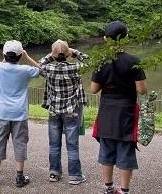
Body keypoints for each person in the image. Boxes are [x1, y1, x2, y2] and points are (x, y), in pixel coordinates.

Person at [90, 21, 147, 194]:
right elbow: (142, 90)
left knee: (106, 149)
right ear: (126, 39)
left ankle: (108, 188)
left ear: (106, 39)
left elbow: (93, 89)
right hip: (127, 112)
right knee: (125, 150)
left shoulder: (101, 61)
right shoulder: (134, 61)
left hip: (107, 111)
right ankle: (124, 190)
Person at [0, 40, 40, 189]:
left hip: (1, 112)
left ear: (4, 54)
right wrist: (27, 57)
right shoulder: (25, 70)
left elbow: (0, 62)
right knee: (20, 143)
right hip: (19, 113)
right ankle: (19, 177)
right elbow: (41, 69)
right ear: (19, 56)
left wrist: (7, 56)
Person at [38, 40, 89, 185]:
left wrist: (52, 55)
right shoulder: (76, 68)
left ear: (53, 56)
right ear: (67, 54)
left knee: (54, 144)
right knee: (72, 145)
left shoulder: (48, 69)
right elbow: (92, 63)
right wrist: (75, 52)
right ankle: (75, 176)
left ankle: (54, 173)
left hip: (54, 111)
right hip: (71, 111)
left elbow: (39, 64)